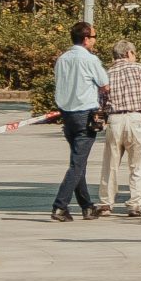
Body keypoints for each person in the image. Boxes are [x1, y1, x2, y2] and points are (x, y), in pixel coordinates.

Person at [49, 21, 108, 221]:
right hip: (85, 114)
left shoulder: (62, 59)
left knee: (78, 160)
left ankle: (87, 206)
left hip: (67, 114)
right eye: (94, 37)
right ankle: (60, 206)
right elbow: (104, 84)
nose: (94, 41)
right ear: (85, 39)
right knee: (77, 163)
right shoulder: (90, 60)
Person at [97, 39, 141, 218]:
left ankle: (106, 203)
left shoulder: (106, 74)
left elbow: (101, 102)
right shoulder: (140, 69)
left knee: (110, 163)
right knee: (138, 163)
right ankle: (135, 204)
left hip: (114, 119)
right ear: (129, 53)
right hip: (136, 117)